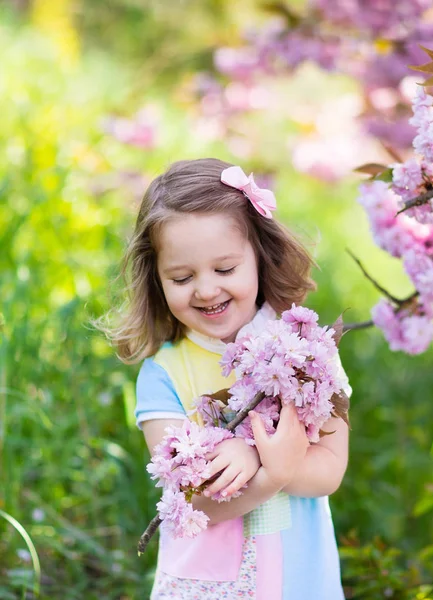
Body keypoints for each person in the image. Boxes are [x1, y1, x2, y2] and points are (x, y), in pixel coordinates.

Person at [107, 158, 350, 599]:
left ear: (259, 256)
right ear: (157, 280)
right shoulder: (163, 374)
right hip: (208, 584)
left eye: (224, 270)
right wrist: (269, 474)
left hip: (300, 577)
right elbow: (195, 503)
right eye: (181, 277)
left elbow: (330, 469)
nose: (205, 289)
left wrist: (259, 457)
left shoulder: (305, 351)